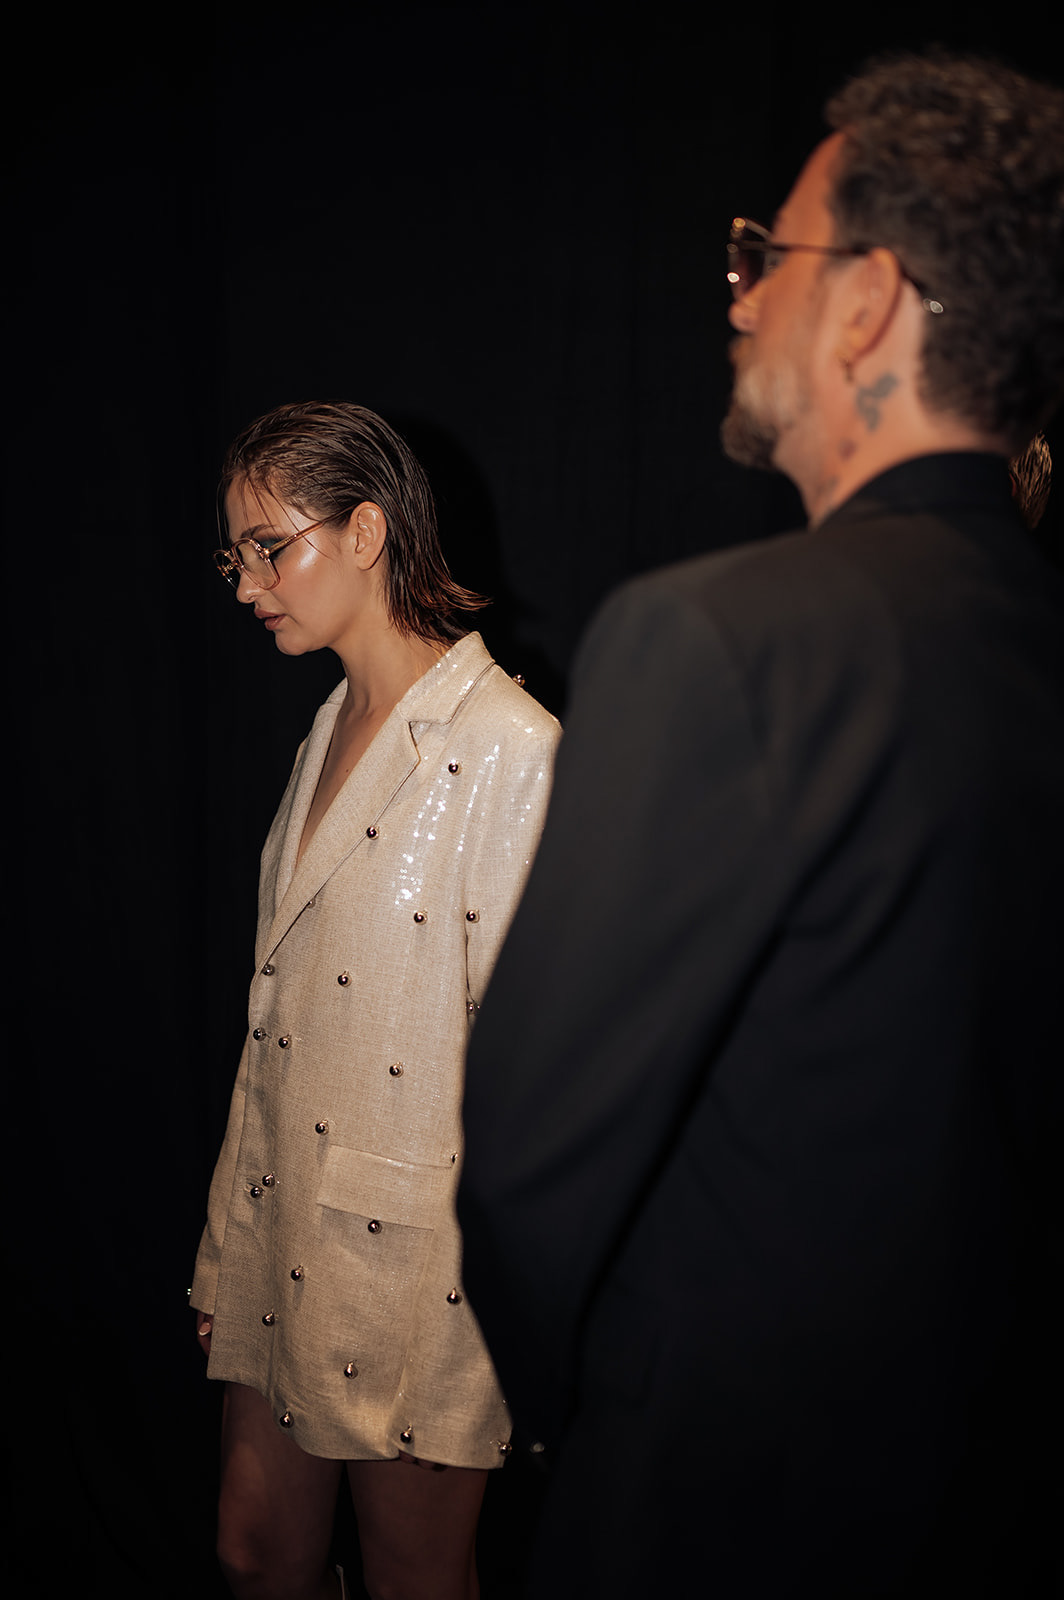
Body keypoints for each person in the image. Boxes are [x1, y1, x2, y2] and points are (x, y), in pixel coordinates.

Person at [457, 51, 1064, 1598]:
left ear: (867, 303)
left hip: (720, 1515)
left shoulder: (715, 642)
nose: (737, 299)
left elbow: (528, 1169)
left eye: (766, 255)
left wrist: (592, 1433)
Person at [190, 401, 560, 1600]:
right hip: (281, 1219)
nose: (248, 584)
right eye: (233, 557)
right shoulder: (327, 724)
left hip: (418, 1267)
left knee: (415, 1578)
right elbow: (275, 1021)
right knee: (253, 1551)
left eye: (268, 546)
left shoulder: (509, 745)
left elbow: (539, 1063)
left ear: (366, 531)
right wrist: (227, 1242)